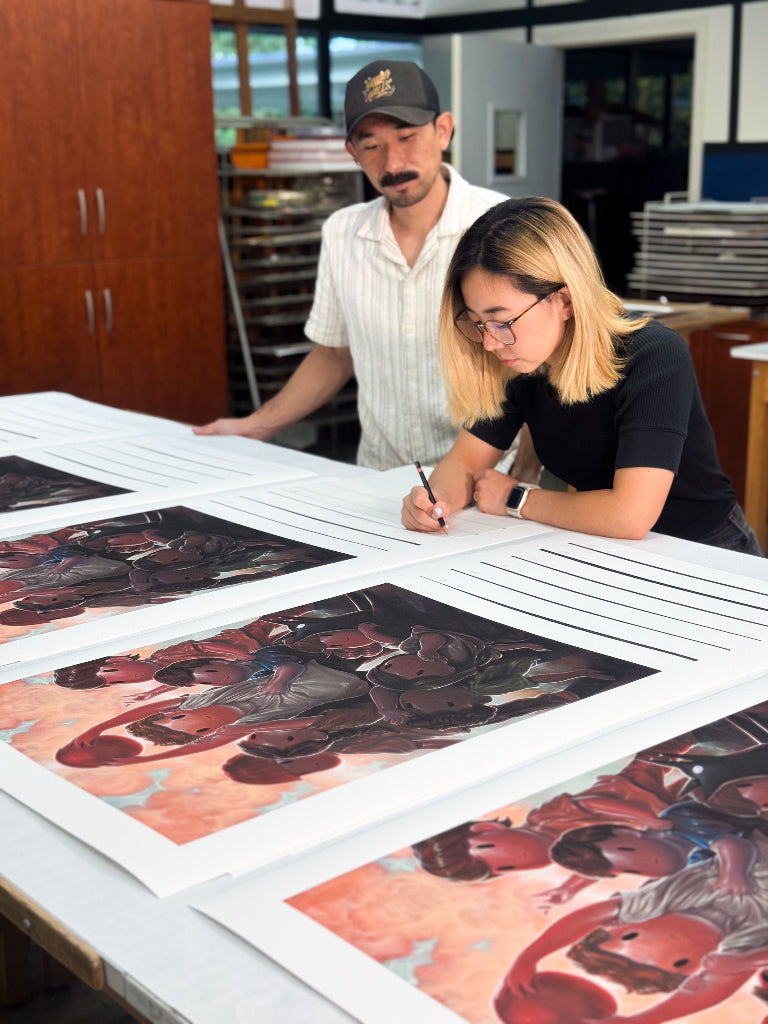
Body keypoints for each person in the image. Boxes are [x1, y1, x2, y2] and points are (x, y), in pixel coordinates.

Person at [195, 60, 537, 476]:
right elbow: (334, 355)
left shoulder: (505, 223)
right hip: (380, 479)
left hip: (488, 479)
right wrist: (257, 426)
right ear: (352, 153)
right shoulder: (342, 233)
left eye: (407, 137)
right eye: (371, 145)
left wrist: (524, 471)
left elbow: (545, 364)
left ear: (443, 130)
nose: (393, 163)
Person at [401, 196, 763, 554]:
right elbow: (465, 462)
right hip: (606, 546)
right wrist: (436, 501)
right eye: (478, 323)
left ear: (564, 301)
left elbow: (630, 514)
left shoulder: (654, 355)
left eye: (502, 321)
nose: (490, 343)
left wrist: (517, 498)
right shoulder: (520, 363)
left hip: (707, 550)